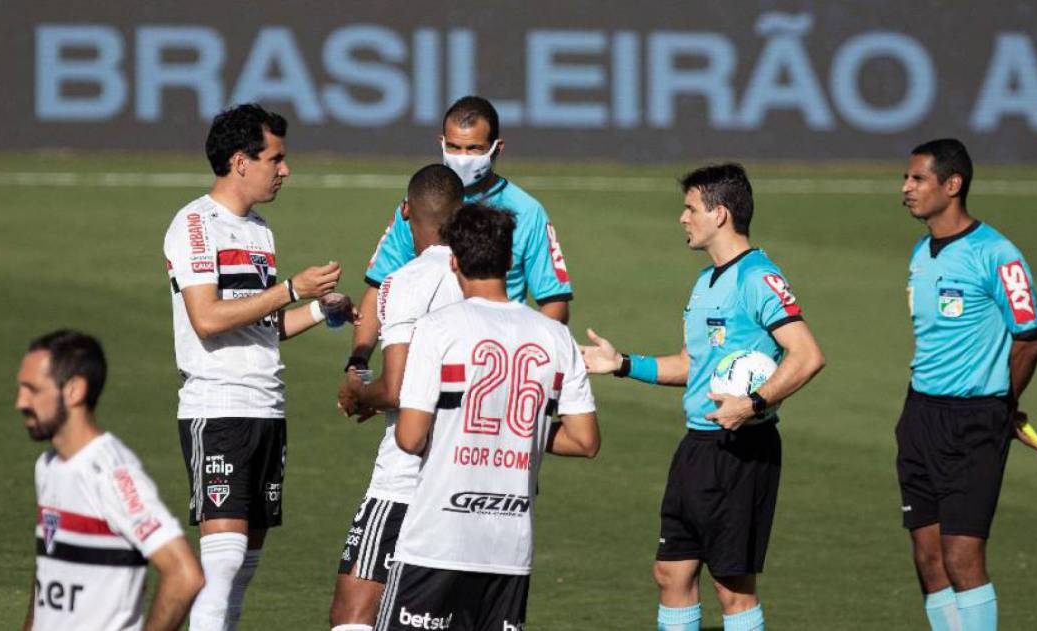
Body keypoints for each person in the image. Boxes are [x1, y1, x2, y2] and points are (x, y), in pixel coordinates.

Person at [580, 164, 825, 631]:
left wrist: (752, 404)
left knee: (733, 587)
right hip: (697, 445)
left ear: (720, 214)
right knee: (671, 573)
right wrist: (623, 364)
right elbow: (691, 365)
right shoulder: (706, 281)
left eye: (691, 208)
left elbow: (808, 355)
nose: (682, 218)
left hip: (741, 449)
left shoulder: (758, 278)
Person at [163, 103, 349, 631]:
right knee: (222, 562)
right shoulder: (195, 225)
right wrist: (290, 288)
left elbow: (261, 325)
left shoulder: (260, 230)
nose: (285, 170)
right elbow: (207, 319)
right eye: (276, 159)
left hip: (267, 408)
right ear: (241, 161)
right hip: (218, 405)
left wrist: (321, 310)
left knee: (244, 567)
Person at [376, 204, 600, 630]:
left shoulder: (437, 329)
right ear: (510, 260)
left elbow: (410, 437)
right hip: (509, 548)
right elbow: (584, 440)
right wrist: (519, 430)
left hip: (436, 540)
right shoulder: (556, 337)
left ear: (454, 261)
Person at [897, 139, 1037, 631]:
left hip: (974, 421)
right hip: (919, 415)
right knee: (929, 559)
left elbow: (1029, 338)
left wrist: (1003, 405)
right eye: (906, 178)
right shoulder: (921, 252)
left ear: (952, 184)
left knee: (962, 556)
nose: (906, 188)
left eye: (918, 178)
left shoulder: (997, 255)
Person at [343, 95, 574, 376]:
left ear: (497, 149)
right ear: (441, 142)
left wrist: (526, 364)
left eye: (473, 148)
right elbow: (379, 285)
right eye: (454, 147)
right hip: (429, 362)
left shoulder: (527, 212)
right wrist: (358, 362)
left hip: (496, 365)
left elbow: (554, 300)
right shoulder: (420, 204)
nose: (462, 158)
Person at [330, 164, 464, 631]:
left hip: (407, 479)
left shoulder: (406, 280)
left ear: (406, 211)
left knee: (353, 612)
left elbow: (398, 388)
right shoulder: (485, 281)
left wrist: (360, 394)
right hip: (468, 475)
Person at [18, 330, 204, 631]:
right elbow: (49, 572)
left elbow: (185, 575)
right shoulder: (48, 466)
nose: (20, 402)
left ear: (74, 391)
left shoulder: (111, 474)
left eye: (33, 390)